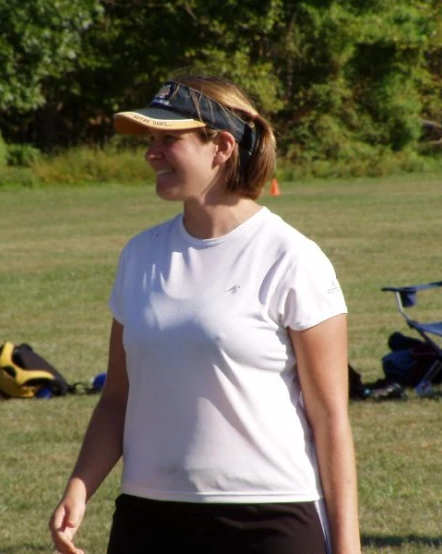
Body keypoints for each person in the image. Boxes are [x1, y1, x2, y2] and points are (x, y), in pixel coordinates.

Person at [49, 76, 361, 554]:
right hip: (148, 514)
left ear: (221, 147)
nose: (151, 153)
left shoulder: (291, 258)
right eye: (150, 141)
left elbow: (330, 417)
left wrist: (347, 547)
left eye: (169, 139)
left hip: (269, 517)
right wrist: (80, 485)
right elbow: (117, 397)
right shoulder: (140, 255)